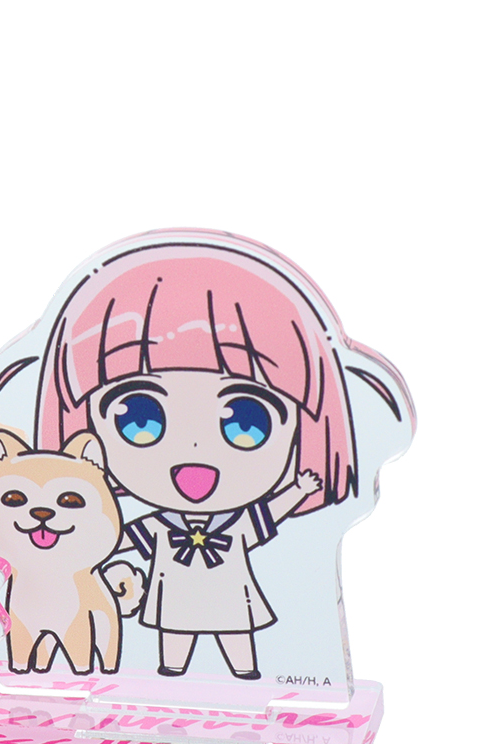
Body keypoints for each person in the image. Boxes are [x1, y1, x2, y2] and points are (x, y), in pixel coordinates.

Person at [34, 238, 359, 680]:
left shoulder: (233, 526)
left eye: (247, 421)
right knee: (173, 629)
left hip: (230, 593)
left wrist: (298, 489)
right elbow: (116, 540)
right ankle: (171, 670)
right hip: (174, 596)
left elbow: (269, 514)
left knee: (236, 630)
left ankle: (246, 673)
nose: (193, 455)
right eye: (140, 418)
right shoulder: (160, 525)